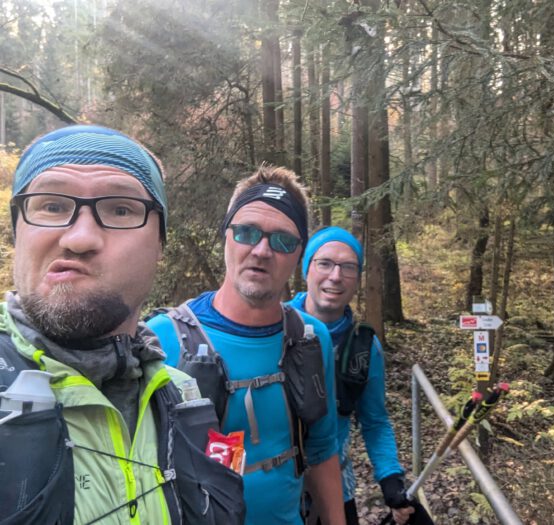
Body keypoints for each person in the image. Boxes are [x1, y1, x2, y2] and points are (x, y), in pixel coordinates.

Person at [0, 125, 244, 525]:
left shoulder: (182, 395)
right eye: (51, 206)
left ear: (159, 247)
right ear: (18, 230)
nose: (79, 238)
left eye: (120, 210)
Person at [147, 165, 345, 525]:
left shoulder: (311, 339)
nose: (262, 250)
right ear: (226, 236)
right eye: (247, 232)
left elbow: (322, 450)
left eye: (282, 240)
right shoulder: (161, 340)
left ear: (299, 254)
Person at [288, 226, 415, 525]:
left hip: (336, 487)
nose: (336, 276)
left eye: (348, 267)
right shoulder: (273, 327)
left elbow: (375, 420)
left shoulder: (364, 346)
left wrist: (390, 477)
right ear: (307, 269)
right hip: (278, 492)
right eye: (325, 263)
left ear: (357, 279)